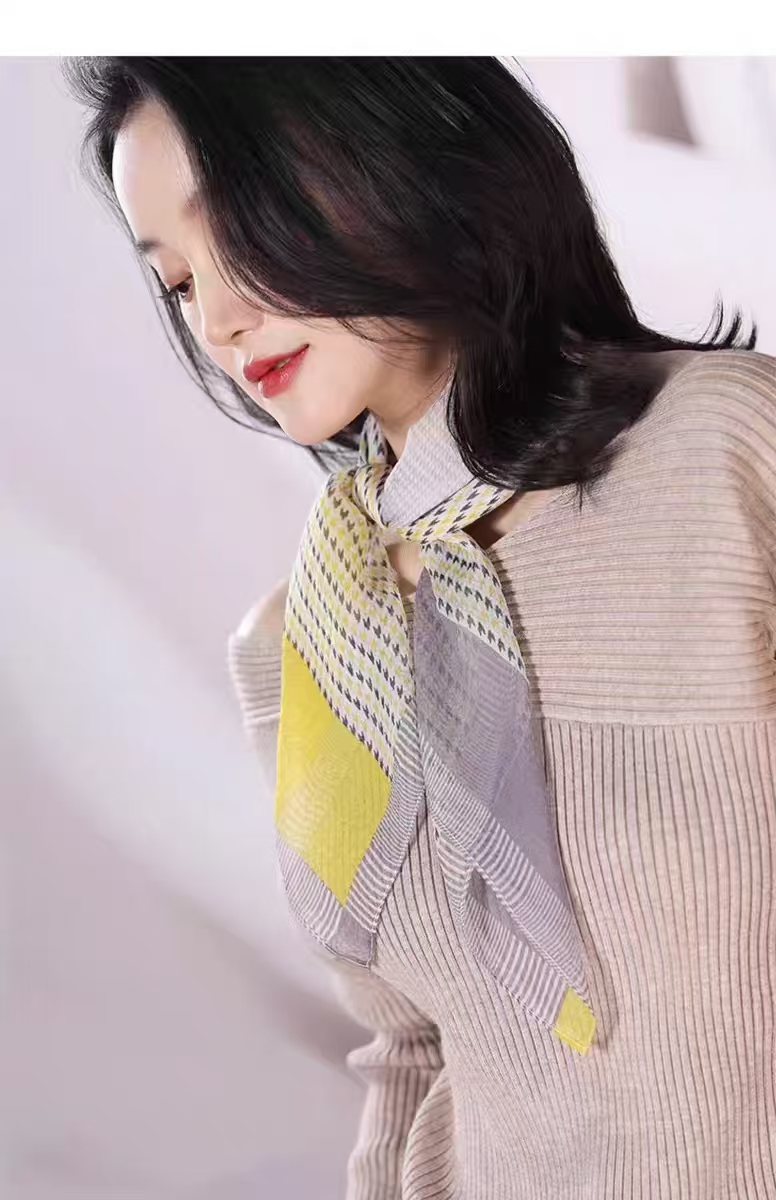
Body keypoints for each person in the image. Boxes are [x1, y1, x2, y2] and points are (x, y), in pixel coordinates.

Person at [63, 57, 776, 1199]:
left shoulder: (724, 452)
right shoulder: (304, 644)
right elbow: (413, 1049)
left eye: (238, 228)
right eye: (178, 282)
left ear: (404, 156)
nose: (221, 320)